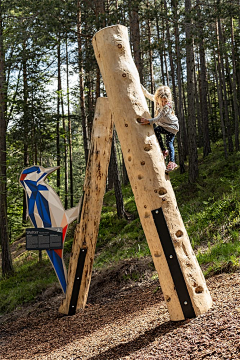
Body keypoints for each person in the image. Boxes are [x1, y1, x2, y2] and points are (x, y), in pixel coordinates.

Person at [139, 84, 179, 172]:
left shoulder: (167, 106)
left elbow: (159, 117)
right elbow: (147, 94)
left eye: (165, 101)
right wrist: (139, 84)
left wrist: (149, 121)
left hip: (172, 127)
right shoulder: (156, 99)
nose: (163, 103)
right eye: (162, 101)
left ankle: (172, 162)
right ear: (158, 98)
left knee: (169, 143)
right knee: (156, 131)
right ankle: (164, 151)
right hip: (164, 125)